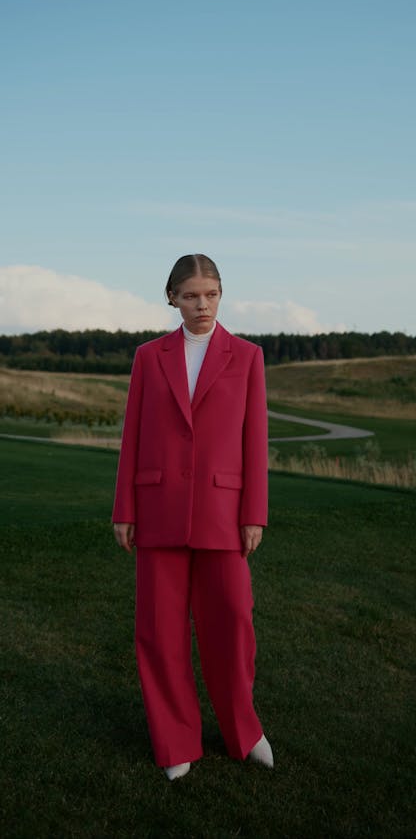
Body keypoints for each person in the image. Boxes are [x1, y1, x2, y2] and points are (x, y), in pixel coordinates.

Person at [112, 253, 273, 780]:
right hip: (157, 508)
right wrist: (125, 508)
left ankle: (243, 731)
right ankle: (175, 739)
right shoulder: (147, 357)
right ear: (172, 298)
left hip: (224, 514)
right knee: (159, 632)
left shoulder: (248, 357)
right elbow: (133, 435)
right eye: (190, 296)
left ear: (221, 294)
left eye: (211, 294)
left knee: (232, 623)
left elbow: (254, 442)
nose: (202, 305)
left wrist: (254, 514)